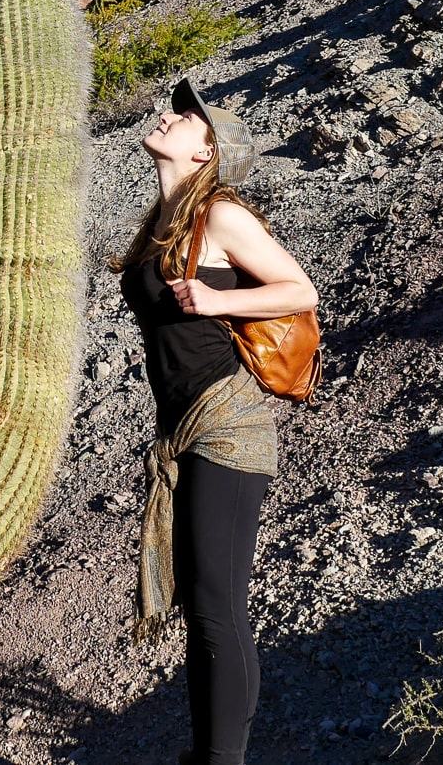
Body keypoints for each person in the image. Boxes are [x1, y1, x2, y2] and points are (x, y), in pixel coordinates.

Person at [117, 76, 318, 765]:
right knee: (204, 608)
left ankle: (221, 760)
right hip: (183, 424)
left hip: (229, 420)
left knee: (215, 606)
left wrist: (211, 297)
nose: (171, 118)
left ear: (207, 155)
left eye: (188, 118)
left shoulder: (223, 215)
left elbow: (300, 290)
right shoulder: (162, 220)